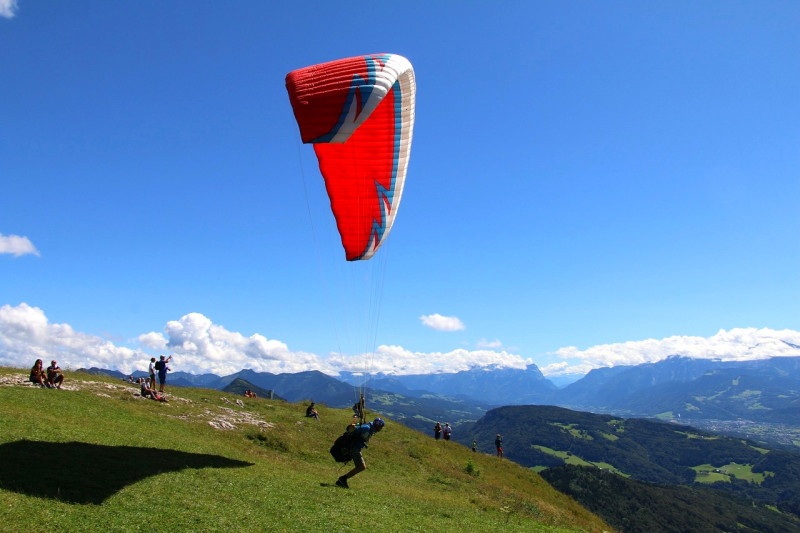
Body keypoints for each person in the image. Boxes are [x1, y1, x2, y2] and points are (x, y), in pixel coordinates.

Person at [335, 417, 385, 489]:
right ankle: (342, 479)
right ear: (377, 425)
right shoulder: (367, 428)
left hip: (356, 448)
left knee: (361, 467)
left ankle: (343, 479)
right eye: (380, 427)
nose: (381, 429)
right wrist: (353, 426)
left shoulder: (369, 428)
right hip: (354, 448)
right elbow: (352, 429)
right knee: (361, 467)